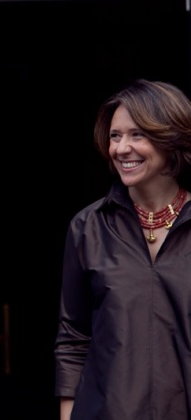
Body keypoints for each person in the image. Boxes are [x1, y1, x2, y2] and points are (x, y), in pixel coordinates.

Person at [54, 78, 191, 420]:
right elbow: (73, 338)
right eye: (116, 136)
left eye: (137, 135)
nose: (121, 149)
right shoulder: (88, 228)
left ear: (170, 138)